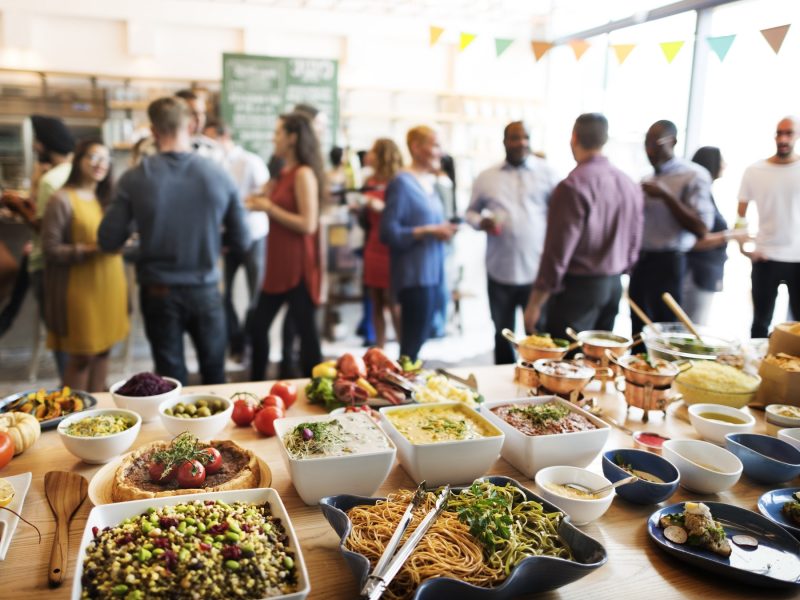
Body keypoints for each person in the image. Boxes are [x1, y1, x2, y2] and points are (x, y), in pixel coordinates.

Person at [98, 97, 250, 385]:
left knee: (170, 378)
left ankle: (176, 431)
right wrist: (212, 241)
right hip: (205, 288)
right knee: (215, 374)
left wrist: (143, 240)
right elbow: (241, 239)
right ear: (191, 125)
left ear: (154, 132)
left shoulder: (134, 178)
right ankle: (220, 430)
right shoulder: (219, 175)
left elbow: (107, 240)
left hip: (158, 290)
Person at [523, 113, 643, 338]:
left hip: (578, 289)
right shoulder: (628, 184)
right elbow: (635, 240)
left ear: (574, 137)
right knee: (598, 361)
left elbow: (557, 253)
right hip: (613, 285)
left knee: (565, 363)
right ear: (604, 140)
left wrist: (535, 303)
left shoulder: (572, 185)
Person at [467, 121, 558, 363]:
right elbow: (470, 213)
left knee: (538, 335)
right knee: (502, 333)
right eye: (515, 138)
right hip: (500, 270)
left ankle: (537, 385)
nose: (522, 143)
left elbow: (561, 216)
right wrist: (480, 222)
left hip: (536, 272)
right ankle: (503, 388)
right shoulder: (487, 177)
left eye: (526, 137)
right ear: (504, 141)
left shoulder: (548, 173)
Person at [41, 140, 128, 392]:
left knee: (104, 351)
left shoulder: (108, 200)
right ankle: (71, 416)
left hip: (110, 284)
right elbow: (50, 249)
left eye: (105, 158)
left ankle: (98, 415)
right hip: (79, 289)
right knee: (82, 356)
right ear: (78, 160)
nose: (100, 164)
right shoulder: (61, 199)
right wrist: (91, 248)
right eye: (93, 157)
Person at [246, 112, 324, 379]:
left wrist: (268, 207)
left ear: (292, 138)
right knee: (258, 327)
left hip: (298, 266)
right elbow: (264, 198)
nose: (273, 137)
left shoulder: (303, 174)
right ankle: (255, 388)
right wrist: (257, 202)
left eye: (278, 132)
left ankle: (319, 394)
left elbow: (308, 224)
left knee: (307, 336)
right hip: (278, 265)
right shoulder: (281, 172)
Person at [2, 115, 75, 377]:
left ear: (44, 143)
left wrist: (21, 210)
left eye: (36, 141)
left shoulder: (50, 180)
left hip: (45, 263)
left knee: (57, 332)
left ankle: (70, 387)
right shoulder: (74, 173)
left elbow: (44, 229)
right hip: (71, 266)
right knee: (72, 332)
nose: (33, 147)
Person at [628, 119, 714, 335]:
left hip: (669, 262)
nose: (649, 151)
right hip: (641, 262)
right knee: (638, 328)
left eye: (655, 144)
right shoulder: (646, 178)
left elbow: (702, 228)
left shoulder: (693, 175)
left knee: (664, 331)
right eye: (646, 144)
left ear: (673, 142)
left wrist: (667, 197)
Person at [380, 126, 458, 362]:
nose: (440, 152)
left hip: (434, 274)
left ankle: (409, 389)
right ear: (415, 147)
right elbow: (388, 232)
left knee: (421, 338)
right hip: (414, 276)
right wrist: (429, 231)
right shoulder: (401, 183)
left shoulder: (429, 183)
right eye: (434, 145)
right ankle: (403, 393)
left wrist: (443, 228)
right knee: (411, 346)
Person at [205, 120, 270, 361]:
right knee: (223, 294)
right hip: (227, 238)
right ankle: (236, 340)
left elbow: (265, 196)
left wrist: (236, 204)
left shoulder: (251, 161)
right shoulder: (214, 163)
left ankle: (246, 341)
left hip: (254, 235)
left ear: (223, 137)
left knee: (256, 295)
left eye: (211, 139)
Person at [738, 116, 800, 337]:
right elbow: (740, 215)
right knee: (760, 323)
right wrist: (743, 246)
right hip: (765, 257)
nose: (783, 138)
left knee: (797, 327)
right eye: (779, 133)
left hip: (797, 259)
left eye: (789, 133)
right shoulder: (755, 171)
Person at [683, 147, 749, 325]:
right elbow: (692, 242)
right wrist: (730, 235)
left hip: (704, 273)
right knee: (691, 330)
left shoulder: (706, 195)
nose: (725, 165)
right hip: (696, 273)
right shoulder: (697, 197)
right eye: (722, 160)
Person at [361, 138, 403, 348]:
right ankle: (380, 349)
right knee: (375, 301)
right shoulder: (369, 181)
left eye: (373, 152)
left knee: (394, 302)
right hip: (373, 245)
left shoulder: (400, 180)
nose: (369, 155)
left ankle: (405, 351)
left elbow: (402, 213)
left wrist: (380, 207)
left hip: (391, 248)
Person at [175, 89, 222, 161]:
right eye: (193, 113)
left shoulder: (213, 150)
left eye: (202, 113)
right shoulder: (158, 148)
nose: (199, 119)